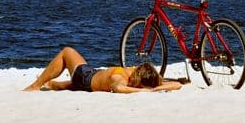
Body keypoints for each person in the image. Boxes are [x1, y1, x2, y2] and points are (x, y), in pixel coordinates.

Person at [22, 46, 185, 93]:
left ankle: (36, 85)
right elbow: (178, 85)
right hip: (90, 80)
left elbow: (118, 87)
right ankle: (50, 84)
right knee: (57, 86)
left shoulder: (121, 78)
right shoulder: (145, 81)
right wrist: (156, 88)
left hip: (84, 77)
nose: (133, 69)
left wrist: (148, 91)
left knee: (67, 52)